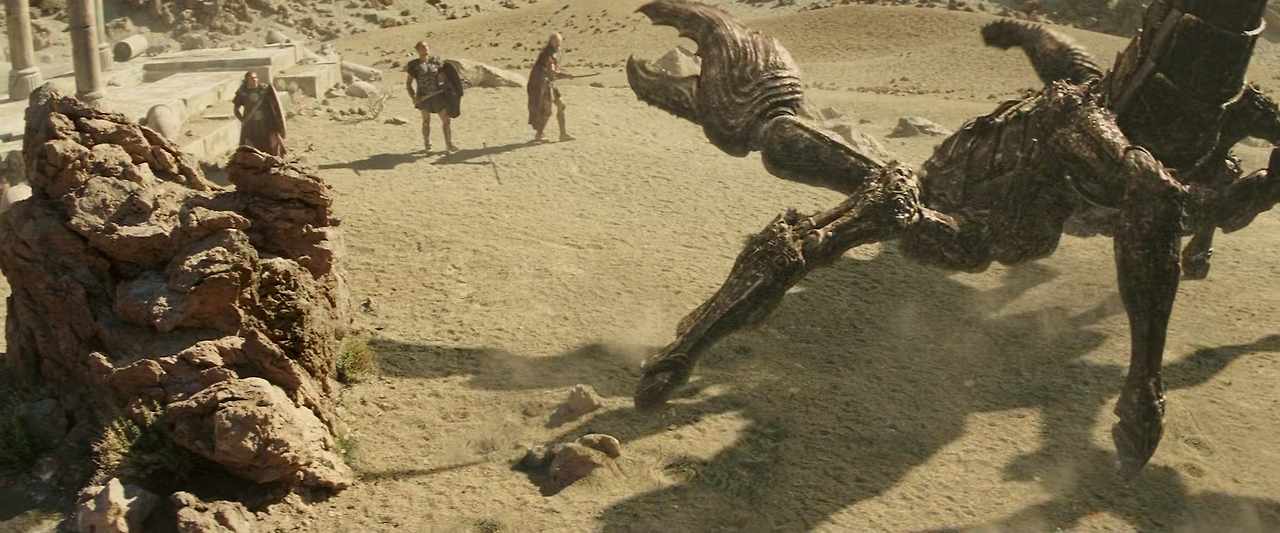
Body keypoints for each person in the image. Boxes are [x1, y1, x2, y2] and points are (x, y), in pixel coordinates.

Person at [405, 41, 462, 153]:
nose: (425, 48)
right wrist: (413, 97)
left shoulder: (435, 62)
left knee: (446, 120)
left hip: (438, 96)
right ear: (417, 50)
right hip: (424, 97)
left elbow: (445, 78)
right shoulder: (414, 66)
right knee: (426, 122)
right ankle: (427, 145)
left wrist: (452, 88)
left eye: (426, 46)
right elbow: (408, 84)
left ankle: (449, 144)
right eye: (422, 47)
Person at [527, 33, 575, 143]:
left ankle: (563, 134)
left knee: (561, 106)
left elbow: (552, 73)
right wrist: (566, 76)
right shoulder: (547, 54)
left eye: (559, 42)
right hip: (542, 86)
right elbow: (551, 71)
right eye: (556, 42)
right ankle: (539, 134)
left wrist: (565, 75)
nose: (558, 44)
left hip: (549, 84)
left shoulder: (553, 54)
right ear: (551, 42)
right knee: (547, 112)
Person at [232, 71, 287, 157]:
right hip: (252, 125)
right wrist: (243, 120)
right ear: (247, 81)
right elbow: (236, 109)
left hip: (267, 122)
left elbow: (275, 105)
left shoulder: (265, 90)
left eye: (255, 78)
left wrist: (277, 120)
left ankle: (276, 159)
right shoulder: (242, 93)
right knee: (250, 145)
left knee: (273, 139)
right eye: (251, 78)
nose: (254, 80)